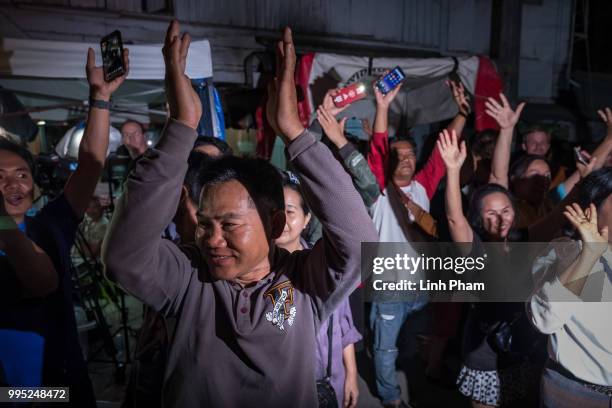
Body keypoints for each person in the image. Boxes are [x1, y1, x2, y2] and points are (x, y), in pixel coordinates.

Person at [102, 21, 378, 408]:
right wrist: (181, 127)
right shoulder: (188, 279)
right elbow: (122, 257)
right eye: (205, 225)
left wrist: (295, 133)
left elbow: (359, 239)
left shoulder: (298, 284)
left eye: (230, 225)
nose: (213, 240)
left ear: (275, 224)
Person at [0, 44, 129, 406]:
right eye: (0, 176)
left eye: (21, 174)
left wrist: (100, 99)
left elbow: (89, 164)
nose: (12, 185)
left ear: (35, 185)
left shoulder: (49, 226)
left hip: (57, 391)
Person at [336, 77, 467, 408]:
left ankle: (402, 370)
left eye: (411, 154)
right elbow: (379, 145)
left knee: (411, 344)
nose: (407, 159)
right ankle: (391, 396)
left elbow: (444, 148)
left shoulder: (423, 185)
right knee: (386, 348)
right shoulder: (378, 189)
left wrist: (462, 113)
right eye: (400, 155)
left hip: (422, 289)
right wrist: (382, 106)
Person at [275, 171, 361, 408]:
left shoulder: (325, 266)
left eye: (290, 211)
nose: (281, 220)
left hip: (331, 381)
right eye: (275, 212)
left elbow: (344, 324)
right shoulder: (259, 273)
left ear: (306, 219)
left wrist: (351, 376)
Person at [529, 168, 612, 408]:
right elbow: (545, 320)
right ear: (591, 212)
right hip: (577, 393)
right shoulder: (564, 253)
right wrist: (590, 256)